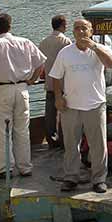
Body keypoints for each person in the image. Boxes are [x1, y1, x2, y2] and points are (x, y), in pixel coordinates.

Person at [49, 19, 112, 194]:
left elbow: (111, 64)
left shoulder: (101, 49)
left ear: (91, 31)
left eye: (84, 28)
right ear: (73, 32)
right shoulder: (65, 53)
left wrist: (94, 46)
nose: (80, 32)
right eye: (77, 29)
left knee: (98, 145)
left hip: (95, 105)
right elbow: (56, 76)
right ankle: (71, 177)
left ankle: (99, 179)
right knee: (71, 145)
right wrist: (58, 97)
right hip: (71, 106)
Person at [0, 12, 45, 177]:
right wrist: (32, 80)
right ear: (10, 25)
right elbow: (41, 62)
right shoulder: (25, 42)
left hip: (2, 88)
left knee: (1, 131)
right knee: (22, 130)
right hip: (22, 88)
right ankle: (25, 167)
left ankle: (4, 168)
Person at [39, 15, 72, 148]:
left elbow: (40, 63)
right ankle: (64, 142)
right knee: (65, 114)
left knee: (50, 115)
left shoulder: (44, 42)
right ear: (63, 25)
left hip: (49, 83)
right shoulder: (66, 42)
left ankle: (51, 140)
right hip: (63, 84)